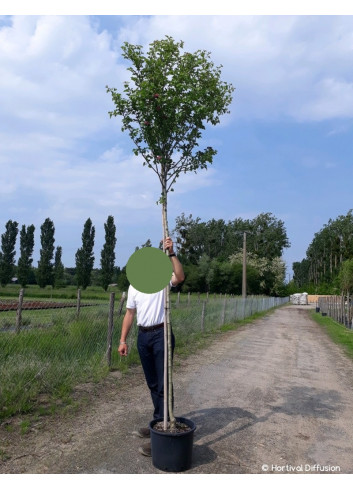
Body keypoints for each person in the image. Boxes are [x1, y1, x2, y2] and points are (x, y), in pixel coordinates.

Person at [118, 236, 185, 457]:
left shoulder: (163, 277)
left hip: (161, 334)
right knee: (153, 383)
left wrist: (172, 252)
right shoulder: (134, 285)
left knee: (164, 383)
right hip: (143, 337)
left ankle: (164, 432)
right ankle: (159, 422)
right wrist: (122, 340)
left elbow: (180, 276)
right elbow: (129, 314)